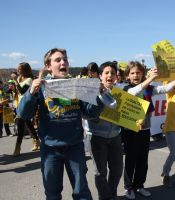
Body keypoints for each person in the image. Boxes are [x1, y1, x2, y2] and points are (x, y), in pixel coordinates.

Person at [17, 48, 107, 200]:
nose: (63, 62)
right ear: (48, 66)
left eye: (65, 59)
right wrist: (31, 93)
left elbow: (90, 113)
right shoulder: (40, 87)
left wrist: (100, 95)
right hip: (50, 149)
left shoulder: (76, 85)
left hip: (75, 147)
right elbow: (24, 114)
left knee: (81, 191)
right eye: (58, 60)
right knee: (52, 192)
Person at [123, 61, 175, 199]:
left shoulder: (149, 88)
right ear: (127, 76)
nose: (136, 75)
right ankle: (128, 187)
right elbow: (133, 92)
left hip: (145, 129)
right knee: (130, 160)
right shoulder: (126, 88)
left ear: (142, 73)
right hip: (130, 130)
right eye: (132, 73)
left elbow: (164, 89)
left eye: (138, 72)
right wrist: (151, 78)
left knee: (143, 160)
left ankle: (139, 185)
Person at [85, 61, 123, 200]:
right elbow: (87, 114)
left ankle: (112, 194)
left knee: (118, 170)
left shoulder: (120, 93)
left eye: (113, 73)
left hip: (115, 137)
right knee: (100, 173)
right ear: (100, 76)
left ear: (116, 77)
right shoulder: (90, 91)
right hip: (96, 137)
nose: (110, 75)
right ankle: (104, 197)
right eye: (106, 73)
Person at [13, 62, 40, 156]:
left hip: (26, 105)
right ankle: (36, 140)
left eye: (19, 69)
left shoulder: (29, 80)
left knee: (20, 125)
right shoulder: (20, 79)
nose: (17, 71)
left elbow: (23, 91)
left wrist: (16, 82)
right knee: (28, 124)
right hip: (19, 104)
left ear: (24, 70)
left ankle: (17, 147)